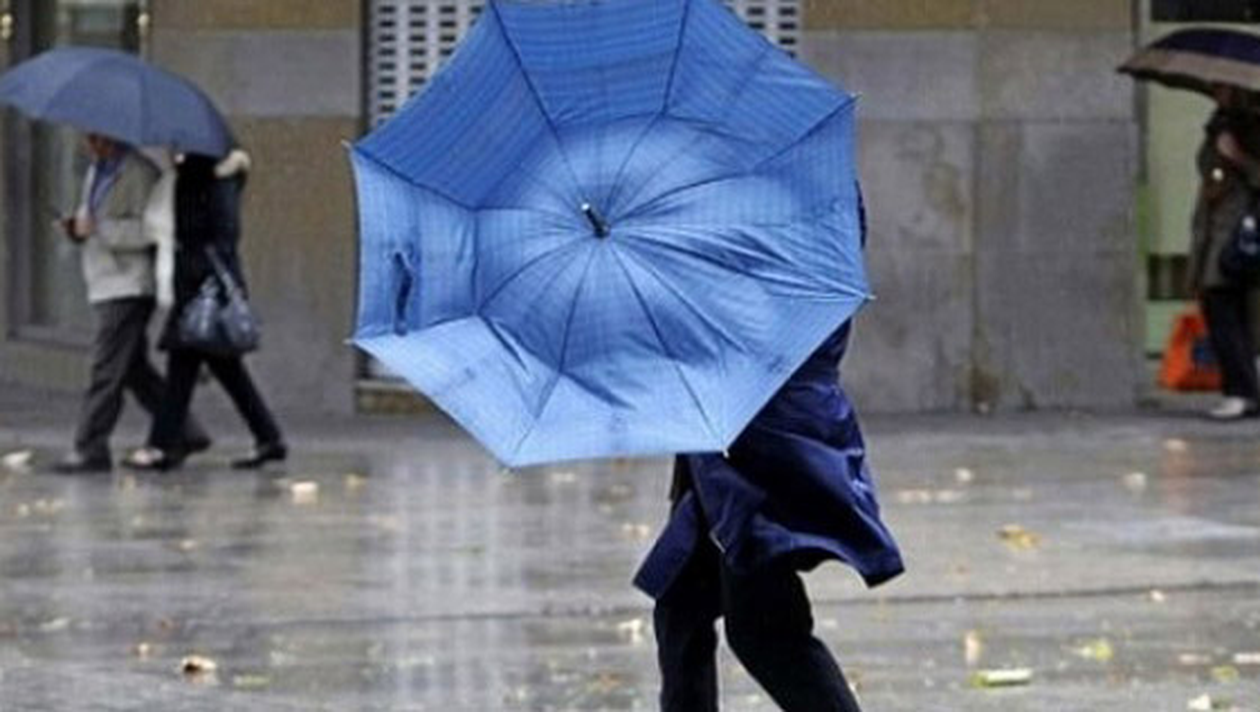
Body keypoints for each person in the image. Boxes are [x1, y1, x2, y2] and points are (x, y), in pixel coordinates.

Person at [634, 320, 904, 712]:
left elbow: (761, 342)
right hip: (730, 450)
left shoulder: (781, 289)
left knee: (764, 634)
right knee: (681, 607)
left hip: (759, 456)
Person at [52, 133, 210, 474]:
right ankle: (185, 429)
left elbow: (150, 230)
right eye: (88, 139)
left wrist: (101, 229)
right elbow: (93, 217)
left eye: (98, 139)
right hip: (103, 279)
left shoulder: (140, 173)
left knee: (106, 367)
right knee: (134, 369)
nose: (92, 146)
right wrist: (77, 229)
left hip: (129, 283)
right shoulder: (96, 170)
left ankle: (90, 446)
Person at [124, 148, 286, 471]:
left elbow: (204, 233)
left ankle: (162, 446)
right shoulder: (218, 180)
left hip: (201, 290)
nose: (175, 155)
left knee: (182, 371)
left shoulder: (202, 181)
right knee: (226, 372)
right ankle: (268, 438)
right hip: (205, 287)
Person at [1189, 84, 1260, 420]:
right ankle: (1242, 389)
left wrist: (1239, 159)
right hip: (1213, 224)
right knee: (1221, 306)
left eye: (1224, 88)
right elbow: (1207, 168)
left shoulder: (1252, 126)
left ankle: (1241, 391)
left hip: (1239, 230)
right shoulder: (1220, 123)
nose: (1218, 92)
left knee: (1225, 305)